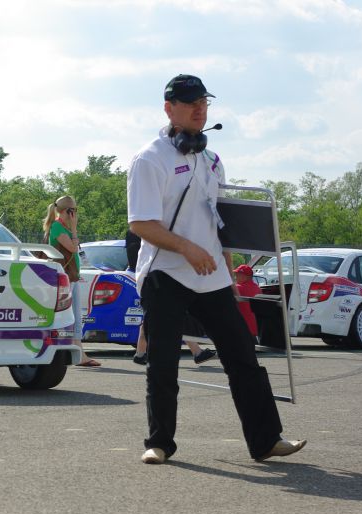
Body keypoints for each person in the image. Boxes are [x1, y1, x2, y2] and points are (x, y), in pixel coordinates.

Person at [128, 73, 306, 464]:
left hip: (211, 274)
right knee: (162, 361)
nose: (199, 109)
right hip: (164, 273)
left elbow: (217, 218)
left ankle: (266, 440)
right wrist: (187, 249)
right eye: (191, 102)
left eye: (204, 103)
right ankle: (159, 443)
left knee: (243, 356)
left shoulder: (212, 160)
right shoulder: (149, 158)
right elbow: (140, 224)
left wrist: (227, 264)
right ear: (168, 108)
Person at [128, 230, 216, 366]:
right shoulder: (149, 234)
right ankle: (196, 352)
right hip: (155, 278)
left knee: (163, 317)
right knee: (164, 317)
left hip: (155, 277)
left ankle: (141, 354)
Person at [43, 196, 100, 367]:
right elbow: (73, 248)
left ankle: (79, 353)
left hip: (72, 277)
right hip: (65, 278)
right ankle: (77, 353)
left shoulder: (62, 227)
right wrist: (74, 230)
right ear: (69, 211)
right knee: (71, 316)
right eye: (74, 210)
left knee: (76, 316)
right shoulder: (57, 227)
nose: (76, 214)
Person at [232, 264, 262, 340]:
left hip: (241, 330)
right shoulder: (258, 289)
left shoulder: (238, 288)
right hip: (255, 330)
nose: (235, 277)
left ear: (244, 276)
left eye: (237, 275)